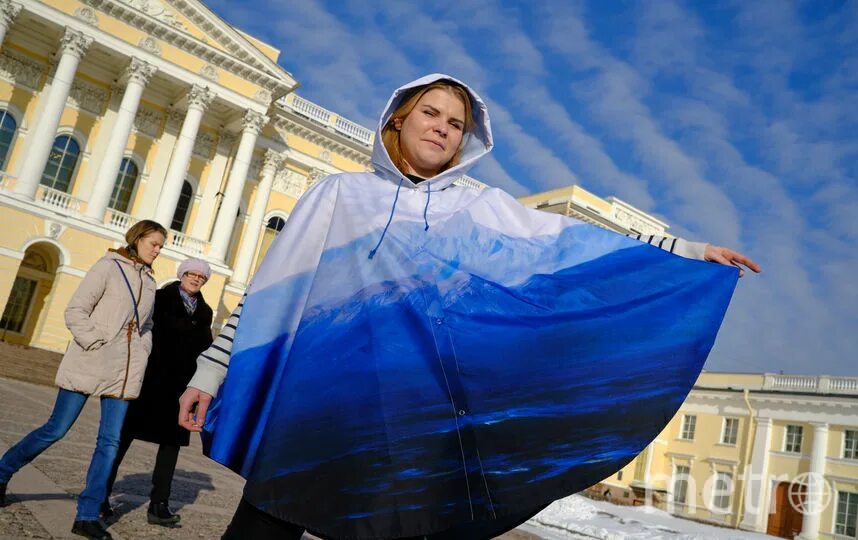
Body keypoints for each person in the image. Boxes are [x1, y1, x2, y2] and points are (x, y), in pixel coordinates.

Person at [179, 74, 761, 540]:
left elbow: (575, 241)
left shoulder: (479, 209)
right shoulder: (338, 195)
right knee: (266, 521)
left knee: (386, 525)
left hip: (407, 418)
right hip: (316, 403)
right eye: (431, 114)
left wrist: (685, 252)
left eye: (456, 124)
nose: (443, 129)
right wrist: (211, 370)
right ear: (399, 118)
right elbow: (270, 292)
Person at [0, 220, 166, 540]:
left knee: (110, 442)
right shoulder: (107, 267)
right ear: (138, 239)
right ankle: (3, 472)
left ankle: (87, 514)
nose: (158, 251)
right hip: (91, 361)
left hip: (124, 372)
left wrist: (142, 349)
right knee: (56, 429)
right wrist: (95, 341)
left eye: (161, 246)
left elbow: (146, 326)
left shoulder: (149, 281)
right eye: (154, 244)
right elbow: (76, 310)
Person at [103, 258, 213, 526]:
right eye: (191, 273)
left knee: (171, 448)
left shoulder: (206, 311)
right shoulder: (160, 298)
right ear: (181, 274)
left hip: (180, 389)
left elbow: (205, 346)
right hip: (149, 383)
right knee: (121, 440)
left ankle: (159, 504)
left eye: (201, 276)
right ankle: (100, 496)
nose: (196, 279)